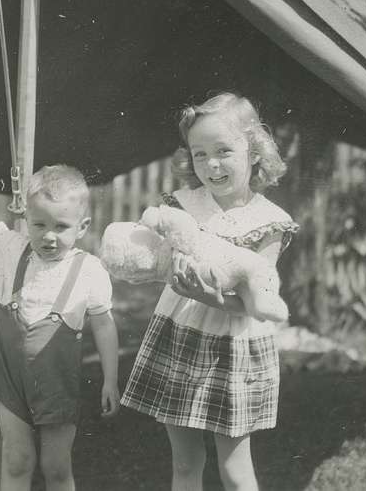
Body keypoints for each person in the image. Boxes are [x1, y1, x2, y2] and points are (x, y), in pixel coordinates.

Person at [120, 92, 299, 491]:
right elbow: (154, 259)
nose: (212, 164)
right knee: (185, 464)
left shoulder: (268, 222)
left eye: (223, 151)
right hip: (178, 336)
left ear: (253, 152)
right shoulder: (181, 205)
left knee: (235, 469)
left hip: (235, 347)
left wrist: (208, 296)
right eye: (200, 154)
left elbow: (255, 302)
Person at [0, 142, 120, 491]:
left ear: (82, 227)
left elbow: (104, 325)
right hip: (11, 380)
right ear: (26, 220)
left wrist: (110, 379)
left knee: (56, 467)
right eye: (39, 225)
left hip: (56, 385)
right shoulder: (11, 249)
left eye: (61, 227)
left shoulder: (89, 270)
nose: (49, 236)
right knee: (17, 461)